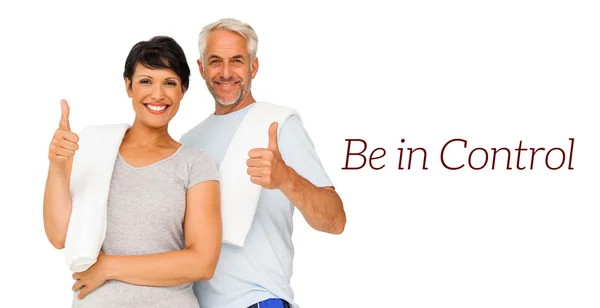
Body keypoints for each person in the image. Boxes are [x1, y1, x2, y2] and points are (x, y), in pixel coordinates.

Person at [43, 36, 222, 308]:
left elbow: (202, 263)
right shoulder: (93, 146)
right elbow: (59, 236)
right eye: (145, 81)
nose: (158, 94)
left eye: (170, 83)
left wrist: (109, 267)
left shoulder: (196, 164)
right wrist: (57, 165)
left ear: (183, 90)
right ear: (128, 86)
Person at [179, 18, 347, 308]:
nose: (226, 72)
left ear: (253, 67)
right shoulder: (188, 141)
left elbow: (335, 221)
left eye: (237, 61)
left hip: (258, 301)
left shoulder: (279, 124)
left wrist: (286, 179)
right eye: (216, 61)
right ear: (201, 68)